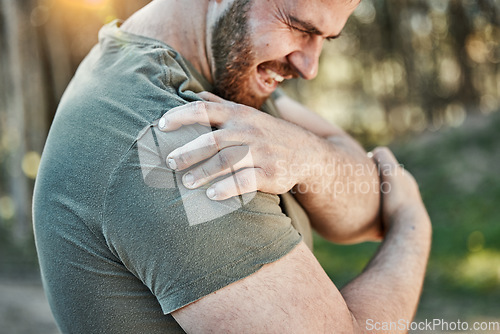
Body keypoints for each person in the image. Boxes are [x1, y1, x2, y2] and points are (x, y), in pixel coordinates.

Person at [33, 0, 431, 332]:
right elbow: (381, 207)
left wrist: (308, 156)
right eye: (298, 27)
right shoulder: (173, 136)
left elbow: (362, 212)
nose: (310, 67)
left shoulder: (216, 75)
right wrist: (412, 226)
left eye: (325, 38)